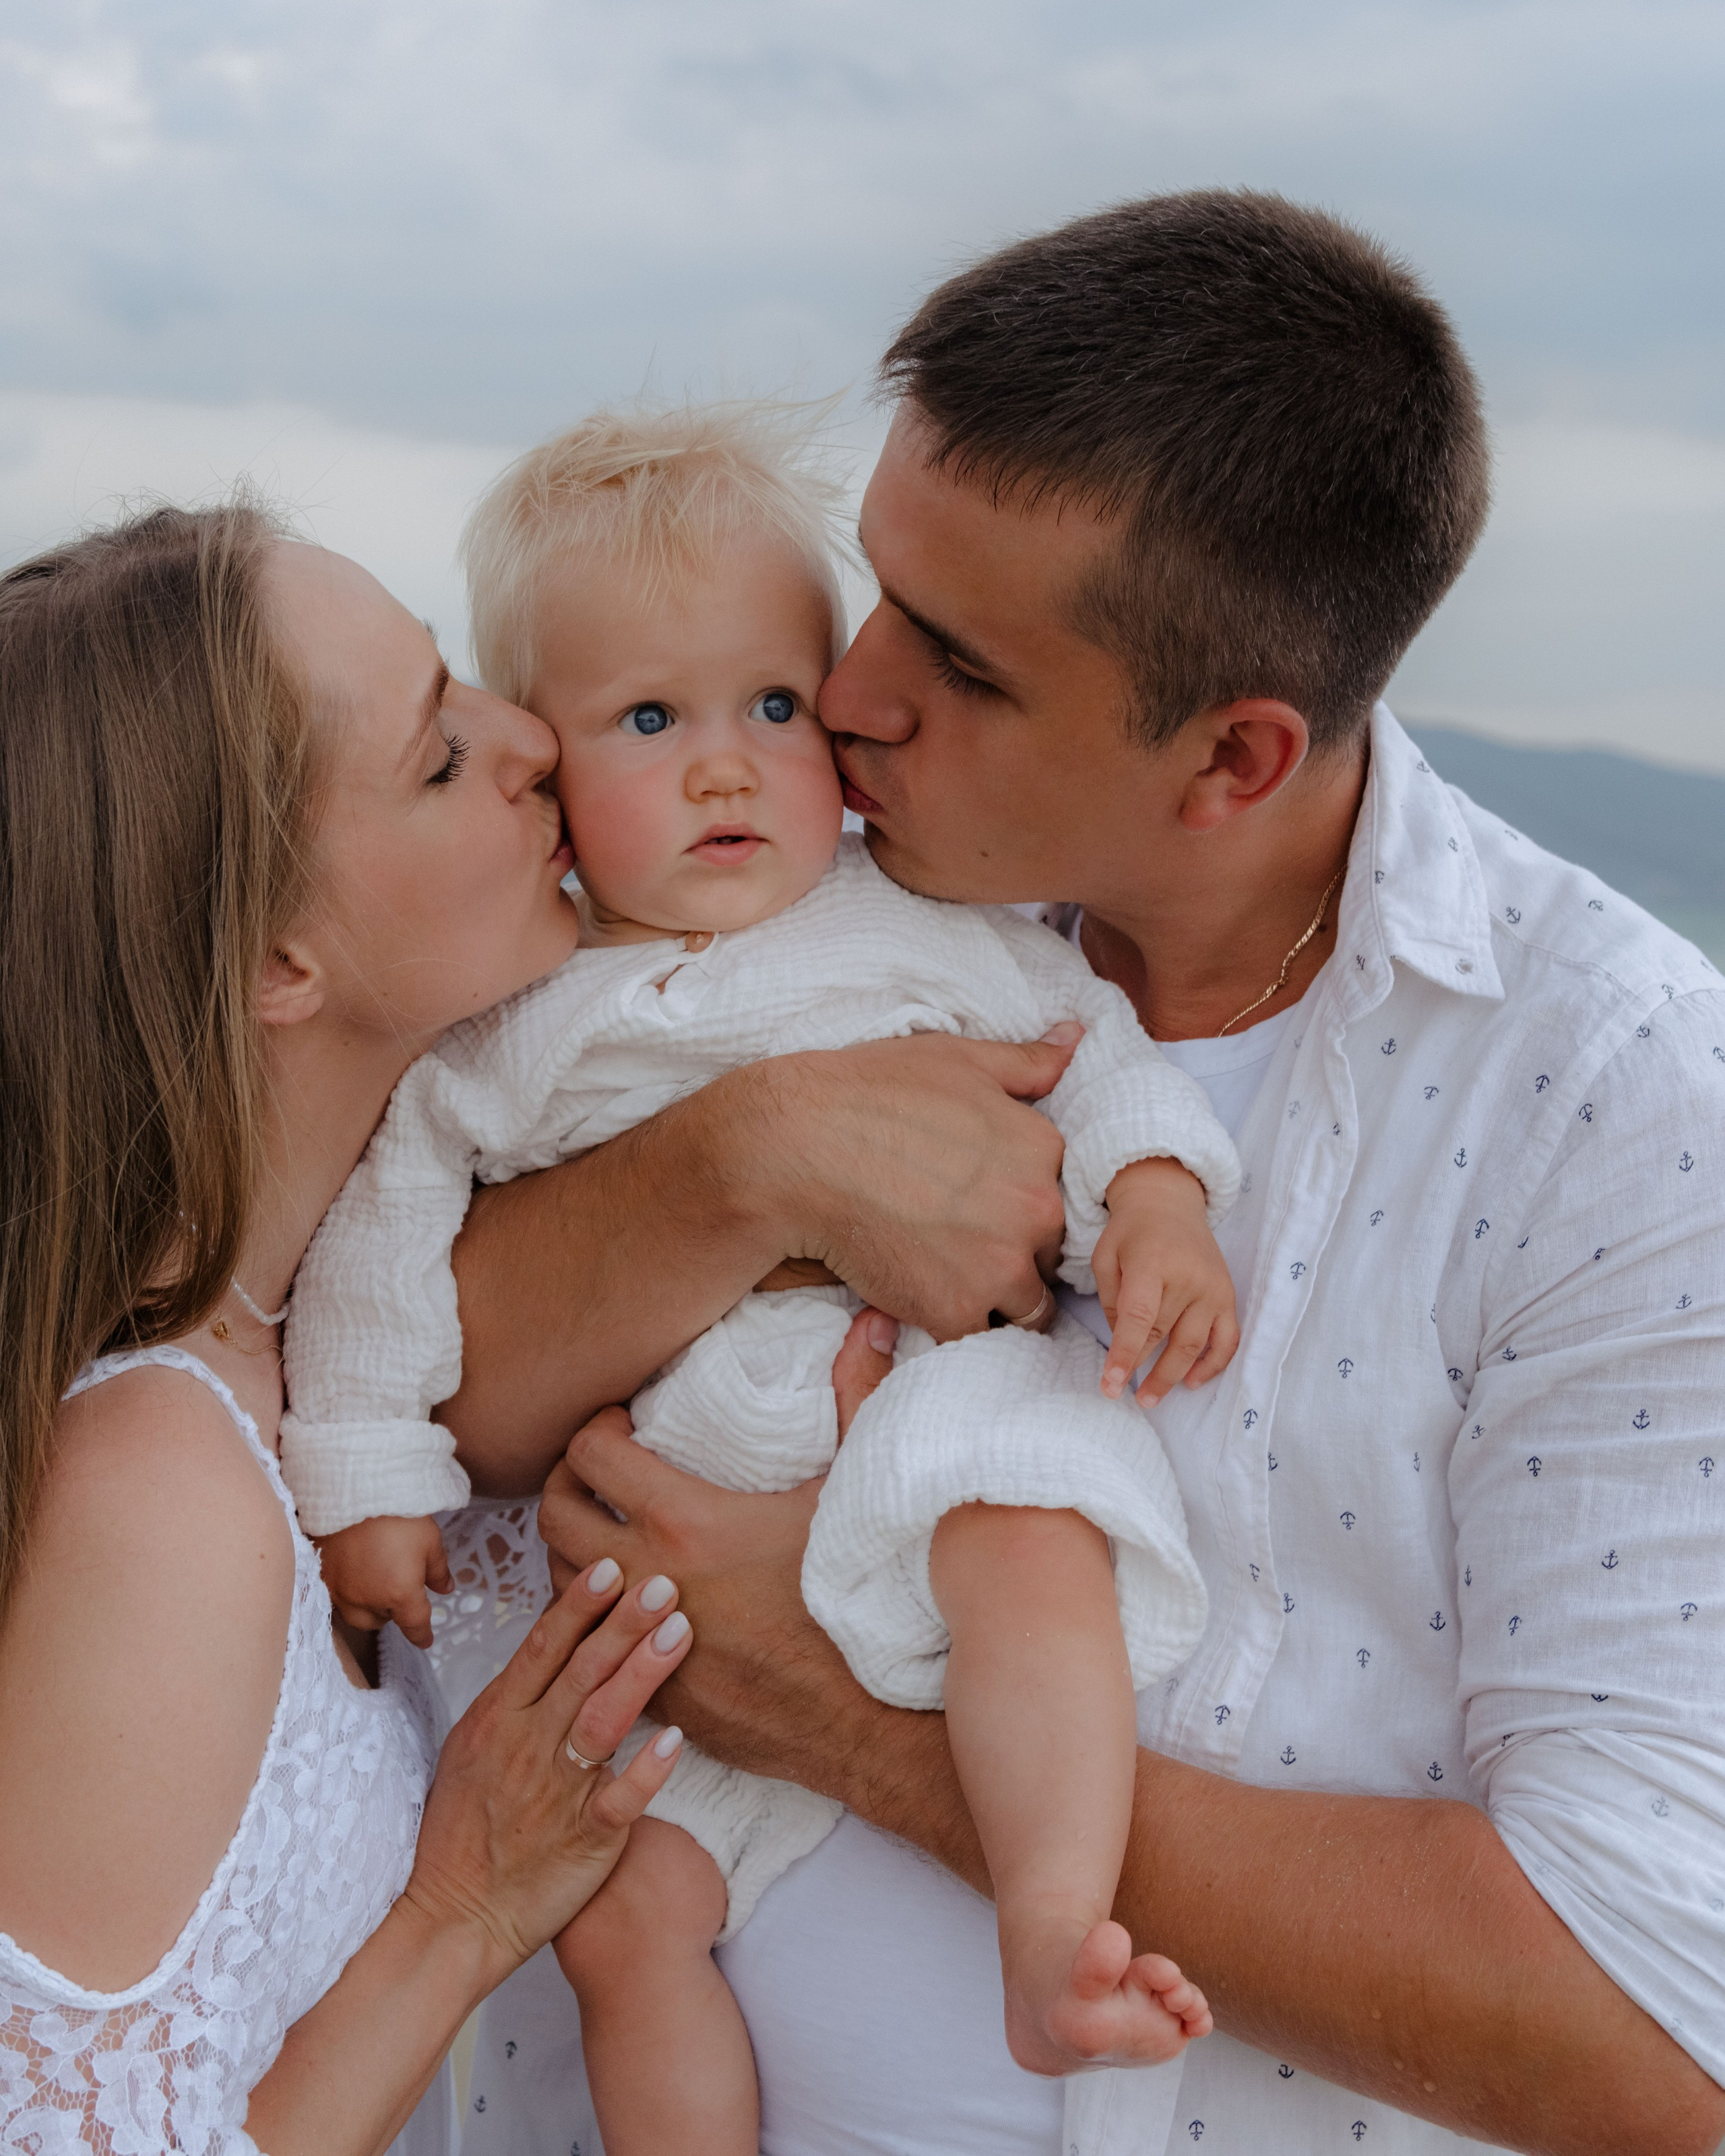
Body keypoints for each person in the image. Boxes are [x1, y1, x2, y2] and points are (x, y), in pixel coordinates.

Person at [441, 193, 1725, 2155]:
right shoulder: (779, 877)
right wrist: (752, 1162)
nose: (847, 692)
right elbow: (392, 1405)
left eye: (954, 660)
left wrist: (846, 1715)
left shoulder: (1620, 1104)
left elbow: (1644, 2036)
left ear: (1233, 760)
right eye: (872, 591)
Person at [276, 402, 1230, 2155]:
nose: (726, 767)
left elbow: (1098, 1061)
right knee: (627, 1922)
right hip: (673, 1542)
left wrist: (1158, 1202)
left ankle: (1048, 1928)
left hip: (930, 1417)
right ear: (548, 772)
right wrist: (369, 1484)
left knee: (1031, 1548)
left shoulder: (917, 923)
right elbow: (377, 1254)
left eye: (772, 708)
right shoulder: (513, 1021)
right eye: (651, 720)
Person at [0, 502, 706, 2155]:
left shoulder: (316, 1332)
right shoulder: (158, 1491)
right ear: (273, 960)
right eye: (439, 757)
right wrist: (460, 1908)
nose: (532, 740)